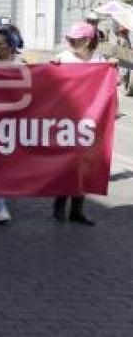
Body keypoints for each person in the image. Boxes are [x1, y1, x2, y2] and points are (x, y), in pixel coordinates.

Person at [52, 22, 104, 226]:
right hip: (67, 120)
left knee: (84, 166)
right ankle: (58, 207)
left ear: (89, 40)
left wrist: (112, 68)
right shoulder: (64, 58)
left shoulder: (100, 60)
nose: (72, 42)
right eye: (71, 39)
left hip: (91, 121)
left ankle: (77, 210)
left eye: (78, 39)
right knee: (67, 164)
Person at [0, 26, 23, 225]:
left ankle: (0, 201)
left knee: (4, 163)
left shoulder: (21, 65)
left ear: (11, 46)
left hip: (12, 121)